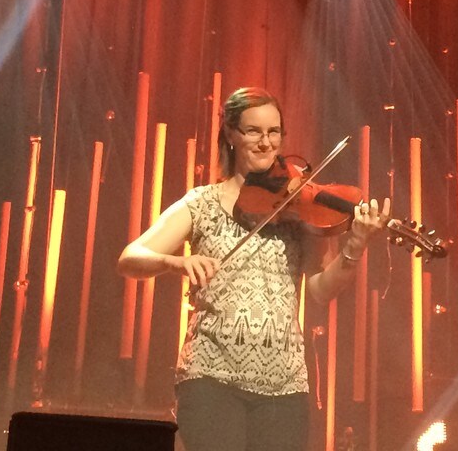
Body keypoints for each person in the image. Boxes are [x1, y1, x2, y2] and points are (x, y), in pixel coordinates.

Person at [118, 88, 389, 451]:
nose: (266, 143)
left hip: (285, 384)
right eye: (253, 131)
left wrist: (355, 245)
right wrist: (177, 262)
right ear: (231, 134)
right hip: (211, 377)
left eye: (274, 132)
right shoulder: (203, 203)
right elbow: (131, 257)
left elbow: (321, 290)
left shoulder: (298, 207)